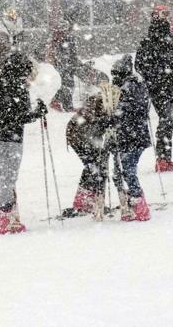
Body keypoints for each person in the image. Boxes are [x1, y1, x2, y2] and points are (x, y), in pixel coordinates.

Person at [0, 52, 48, 234]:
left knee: (5, 178)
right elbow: (17, 117)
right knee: (9, 179)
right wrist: (37, 112)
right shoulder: (18, 88)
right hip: (10, 139)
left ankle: (8, 217)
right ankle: (3, 218)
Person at [136, 6, 173, 172]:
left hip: (172, 87)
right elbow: (140, 64)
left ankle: (165, 157)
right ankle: (162, 158)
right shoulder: (149, 41)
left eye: (167, 14)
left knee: (170, 120)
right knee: (166, 119)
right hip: (159, 88)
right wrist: (155, 77)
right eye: (162, 14)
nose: (166, 18)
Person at [64, 71, 117, 219]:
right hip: (82, 134)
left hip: (81, 133)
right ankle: (90, 200)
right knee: (97, 166)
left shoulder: (104, 99)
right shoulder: (104, 101)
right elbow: (92, 119)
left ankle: (85, 199)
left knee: (92, 165)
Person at [111, 55, 152, 221]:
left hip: (132, 136)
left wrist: (115, 115)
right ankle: (133, 202)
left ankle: (139, 204)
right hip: (131, 135)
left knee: (128, 169)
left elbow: (130, 109)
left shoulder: (131, 86)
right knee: (125, 169)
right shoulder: (133, 85)